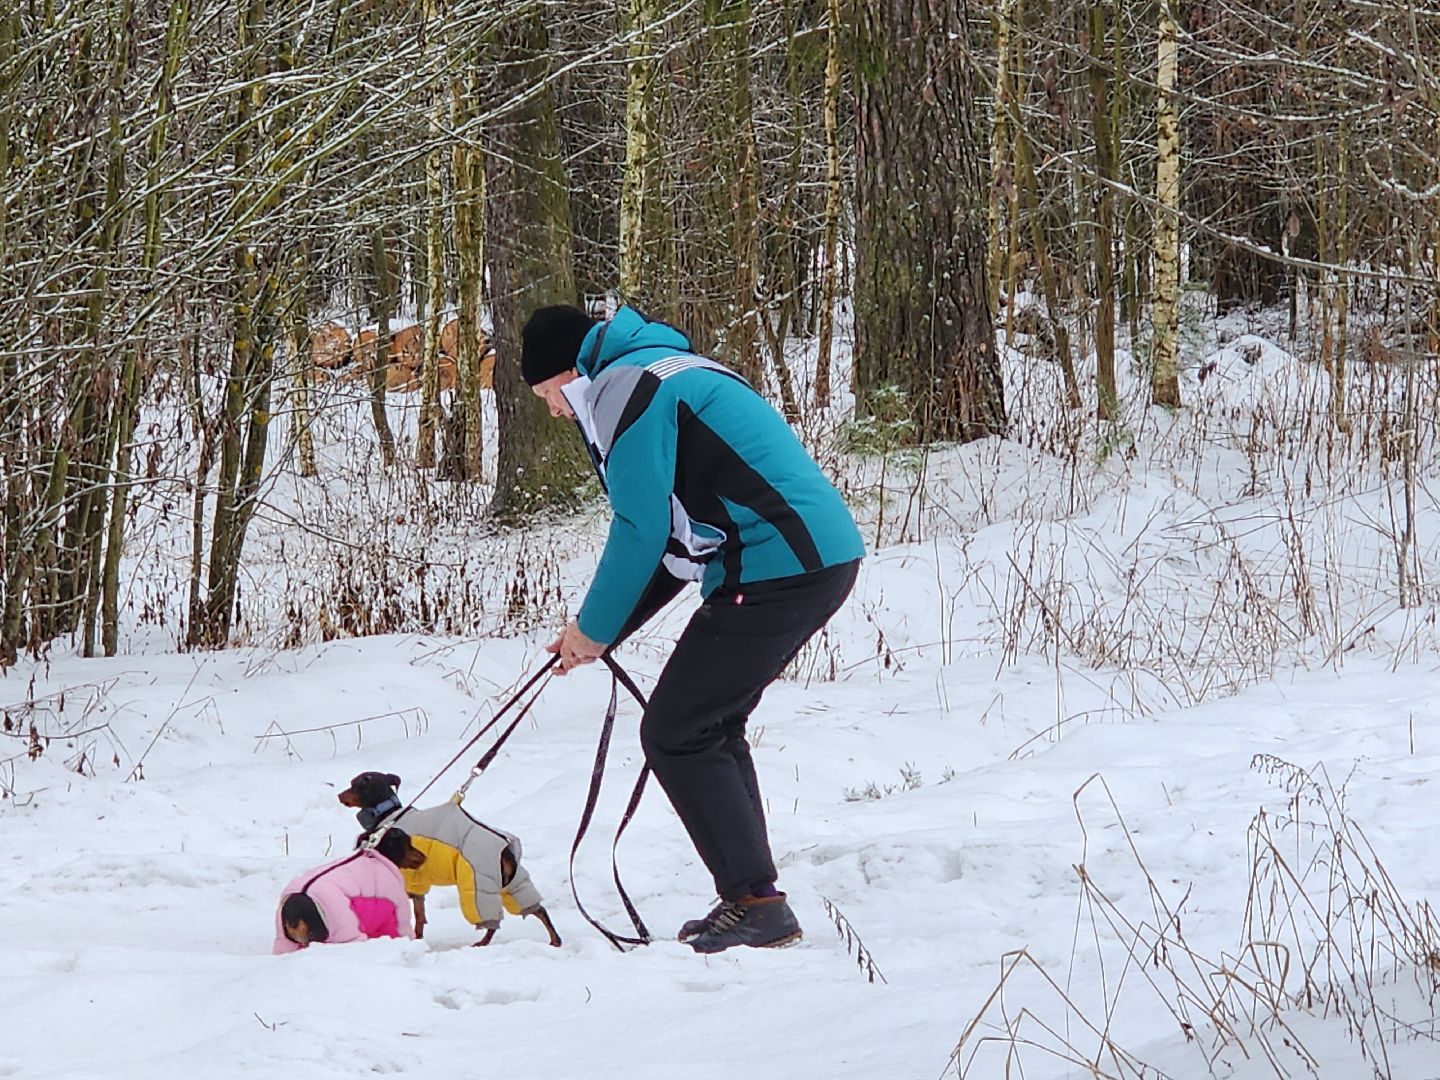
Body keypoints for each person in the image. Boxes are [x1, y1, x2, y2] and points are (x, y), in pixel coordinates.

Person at [520, 303, 864, 953]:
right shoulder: (657, 367)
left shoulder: (626, 386)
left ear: (567, 373)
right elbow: (676, 548)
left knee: (678, 731)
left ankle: (757, 904)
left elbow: (640, 528)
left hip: (778, 566)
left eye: (546, 395)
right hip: (805, 559)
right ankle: (752, 896)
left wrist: (595, 630)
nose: (554, 412)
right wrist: (595, 634)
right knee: (704, 725)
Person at [273, 829, 424, 954]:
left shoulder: (356, 862)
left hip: (292, 896)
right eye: (409, 848)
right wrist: (409, 953)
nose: (415, 855)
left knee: (287, 958)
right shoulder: (391, 885)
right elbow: (400, 931)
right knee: (347, 953)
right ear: (396, 852)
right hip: (327, 902)